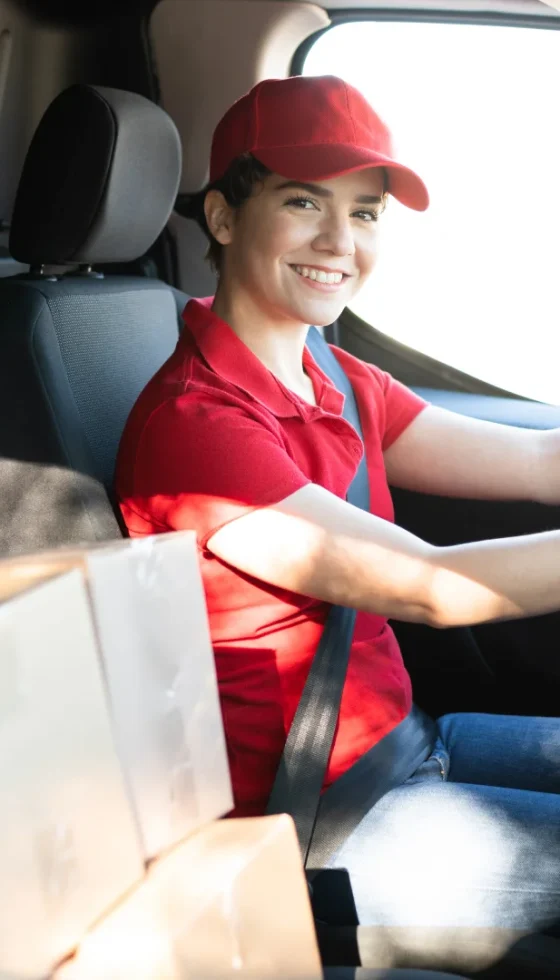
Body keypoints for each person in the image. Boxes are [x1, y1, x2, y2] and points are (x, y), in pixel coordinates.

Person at [115, 75, 560, 972]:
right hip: (318, 820)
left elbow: (538, 462)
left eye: (365, 214)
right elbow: (434, 587)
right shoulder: (196, 430)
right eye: (304, 202)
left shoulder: (337, 380)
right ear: (227, 217)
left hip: (407, 745)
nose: (339, 240)